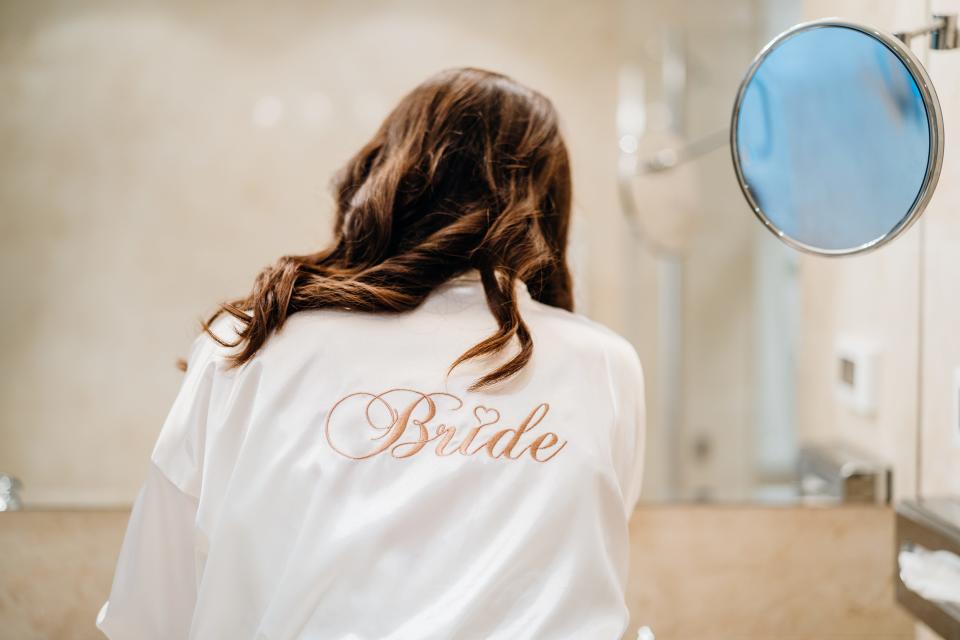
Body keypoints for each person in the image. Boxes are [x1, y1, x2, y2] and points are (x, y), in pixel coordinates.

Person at [96, 67, 646, 640]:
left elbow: (150, 615)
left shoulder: (250, 343)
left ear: (391, 171)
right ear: (546, 203)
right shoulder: (605, 364)